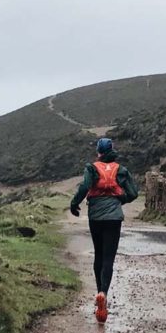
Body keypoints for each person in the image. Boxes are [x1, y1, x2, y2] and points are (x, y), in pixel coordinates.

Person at [69, 137, 139, 322]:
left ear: (99, 152)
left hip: (95, 217)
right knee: (109, 258)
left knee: (98, 255)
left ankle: (98, 293)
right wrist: (119, 200)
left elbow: (84, 187)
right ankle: (103, 294)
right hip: (114, 218)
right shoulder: (121, 170)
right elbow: (133, 193)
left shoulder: (92, 168)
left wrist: (74, 204)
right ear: (112, 151)